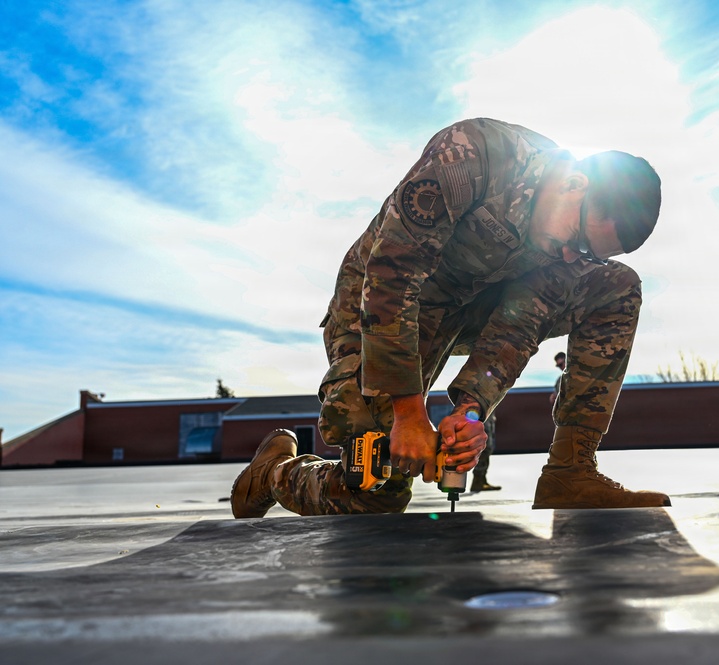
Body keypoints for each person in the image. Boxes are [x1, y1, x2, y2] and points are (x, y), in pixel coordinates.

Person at [231, 117, 670, 518]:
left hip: (471, 307)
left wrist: (470, 414)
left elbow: (519, 326)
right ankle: (275, 472)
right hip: (379, 304)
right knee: (374, 490)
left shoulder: (563, 245)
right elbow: (393, 276)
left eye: (590, 254)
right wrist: (408, 413)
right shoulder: (473, 156)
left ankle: (571, 470)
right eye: (578, 240)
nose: (574, 257)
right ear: (574, 183)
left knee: (616, 286)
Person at [470, 412, 501, 493]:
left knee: (488, 447)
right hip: (482, 412)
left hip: (488, 412)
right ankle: (478, 480)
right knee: (485, 448)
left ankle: (482, 480)